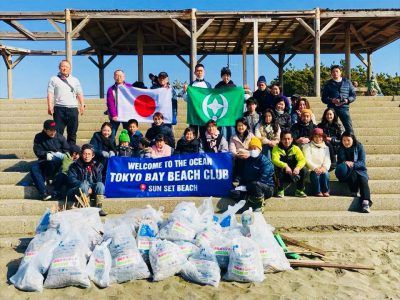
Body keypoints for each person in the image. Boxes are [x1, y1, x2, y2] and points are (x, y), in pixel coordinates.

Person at [231, 137, 275, 212]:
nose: (253, 150)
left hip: (266, 188)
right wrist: (240, 186)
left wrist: (247, 186)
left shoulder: (265, 161)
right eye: (251, 148)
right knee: (234, 193)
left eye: (255, 148)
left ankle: (259, 205)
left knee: (256, 184)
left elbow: (263, 179)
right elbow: (244, 176)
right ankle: (249, 199)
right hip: (250, 187)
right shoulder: (247, 161)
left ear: (260, 149)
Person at [47, 59, 84, 145]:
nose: (64, 68)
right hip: (59, 108)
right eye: (62, 66)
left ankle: (71, 153)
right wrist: (49, 106)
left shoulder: (75, 80)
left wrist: (82, 105)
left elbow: (79, 93)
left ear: (70, 69)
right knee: (58, 133)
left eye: (66, 67)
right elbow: (50, 93)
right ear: (59, 68)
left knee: (72, 133)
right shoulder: (54, 79)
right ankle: (59, 152)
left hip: (73, 109)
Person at [31, 120, 70, 200]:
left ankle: (48, 177)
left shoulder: (60, 137)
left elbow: (67, 150)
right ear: (45, 130)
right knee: (34, 168)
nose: (53, 132)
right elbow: (37, 150)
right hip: (44, 160)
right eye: (50, 131)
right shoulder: (39, 137)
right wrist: (45, 154)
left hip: (57, 162)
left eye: (54, 130)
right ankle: (43, 192)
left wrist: (58, 154)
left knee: (52, 160)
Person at [336, 132, 372, 213]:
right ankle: (353, 191)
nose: (346, 142)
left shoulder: (359, 147)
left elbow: (362, 163)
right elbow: (339, 162)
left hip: (360, 170)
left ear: (353, 139)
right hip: (348, 172)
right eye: (344, 140)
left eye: (348, 140)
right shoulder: (340, 148)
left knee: (363, 180)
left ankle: (365, 202)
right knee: (352, 173)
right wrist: (345, 162)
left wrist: (353, 164)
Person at [67, 144, 107, 216]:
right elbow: (71, 180)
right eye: (85, 154)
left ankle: (99, 207)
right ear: (81, 154)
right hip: (77, 190)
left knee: (100, 185)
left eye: (89, 154)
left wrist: (91, 188)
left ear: (93, 156)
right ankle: (86, 207)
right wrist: (85, 185)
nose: (87, 156)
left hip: (91, 190)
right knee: (84, 185)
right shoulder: (74, 166)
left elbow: (99, 180)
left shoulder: (98, 165)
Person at [272, 130, 307, 198]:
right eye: (284, 139)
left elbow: (302, 160)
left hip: (294, 173)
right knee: (278, 168)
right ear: (281, 139)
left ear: (292, 139)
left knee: (304, 169)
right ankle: (280, 190)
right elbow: (275, 160)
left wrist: (298, 167)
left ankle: (299, 190)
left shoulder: (296, 148)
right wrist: (285, 166)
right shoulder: (276, 148)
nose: (287, 141)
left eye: (288, 139)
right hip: (282, 174)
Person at [322, 65, 356, 133]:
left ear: (340, 72)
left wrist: (347, 100)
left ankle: (352, 141)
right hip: (332, 108)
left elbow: (353, 95)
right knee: (331, 128)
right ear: (331, 73)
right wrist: (331, 100)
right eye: (333, 72)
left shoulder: (347, 82)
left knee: (349, 128)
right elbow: (323, 98)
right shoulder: (328, 84)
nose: (335, 73)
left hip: (344, 107)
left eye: (337, 71)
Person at [182, 63, 213, 138]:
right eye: (198, 71)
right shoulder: (191, 85)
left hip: (204, 113)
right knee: (193, 133)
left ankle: (204, 149)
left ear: (204, 72)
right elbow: (186, 99)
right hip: (194, 113)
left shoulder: (208, 85)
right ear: (195, 72)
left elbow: (211, 99)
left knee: (204, 134)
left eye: (201, 71)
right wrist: (184, 91)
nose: (199, 72)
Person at [302, 128, 331, 197]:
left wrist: (324, 167)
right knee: (315, 174)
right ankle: (317, 191)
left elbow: (327, 160)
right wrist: (315, 168)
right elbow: (307, 159)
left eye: (320, 137)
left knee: (326, 173)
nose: (318, 139)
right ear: (312, 137)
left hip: (322, 169)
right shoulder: (306, 146)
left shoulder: (326, 147)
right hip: (311, 170)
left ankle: (325, 191)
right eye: (316, 137)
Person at [106, 69, 132, 137]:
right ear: (114, 77)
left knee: (128, 133)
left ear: (124, 77)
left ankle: (127, 146)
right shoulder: (110, 89)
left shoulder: (130, 87)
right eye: (116, 76)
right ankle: (111, 147)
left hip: (127, 115)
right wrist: (114, 115)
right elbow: (110, 103)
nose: (119, 77)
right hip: (115, 115)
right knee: (112, 134)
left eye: (120, 76)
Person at [215, 67, 237, 143]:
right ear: (221, 76)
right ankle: (223, 148)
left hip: (231, 114)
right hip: (222, 114)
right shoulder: (217, 86)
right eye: (224, 75)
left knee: (232, 131)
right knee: (223, 131)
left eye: (228, 75)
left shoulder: (234, 86)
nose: (226, 77)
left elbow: (237, 99)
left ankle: (232, 148)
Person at [229, 117, 254, 183]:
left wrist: (248, 154)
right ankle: (237, 183)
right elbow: (232, 149)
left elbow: (255, 147)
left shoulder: (251, 135)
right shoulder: (233, 137)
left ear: (246, 126)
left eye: (242, 125)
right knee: (238, 162)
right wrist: (237, 155)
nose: (240, 127)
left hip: (249, 157)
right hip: (238, 158)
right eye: (238, 126)